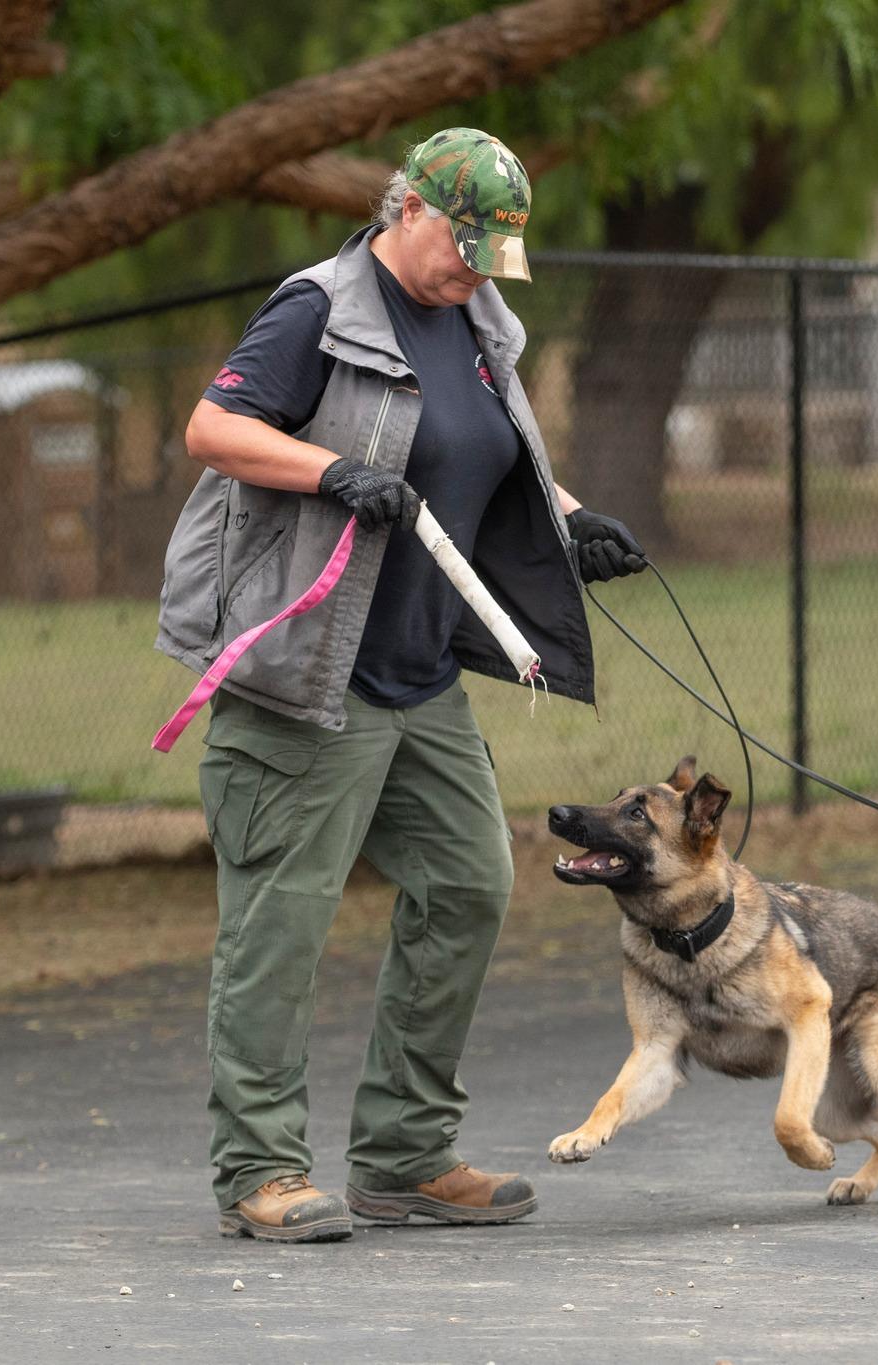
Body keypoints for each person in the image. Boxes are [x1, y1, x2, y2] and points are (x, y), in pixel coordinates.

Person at [155, 127, 646, 1244]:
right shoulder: (318, 308)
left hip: (420, 676)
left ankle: (403, 1157)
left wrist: (574, 522)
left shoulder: (477, 322)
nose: (471, 269)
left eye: (489, 254)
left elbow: (479, 451)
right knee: (280, 925)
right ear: (408, 209)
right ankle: (260, 1172)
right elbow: (212, 428)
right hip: (309, 676)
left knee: (471, 883)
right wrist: (332, 471)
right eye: (460, 246)